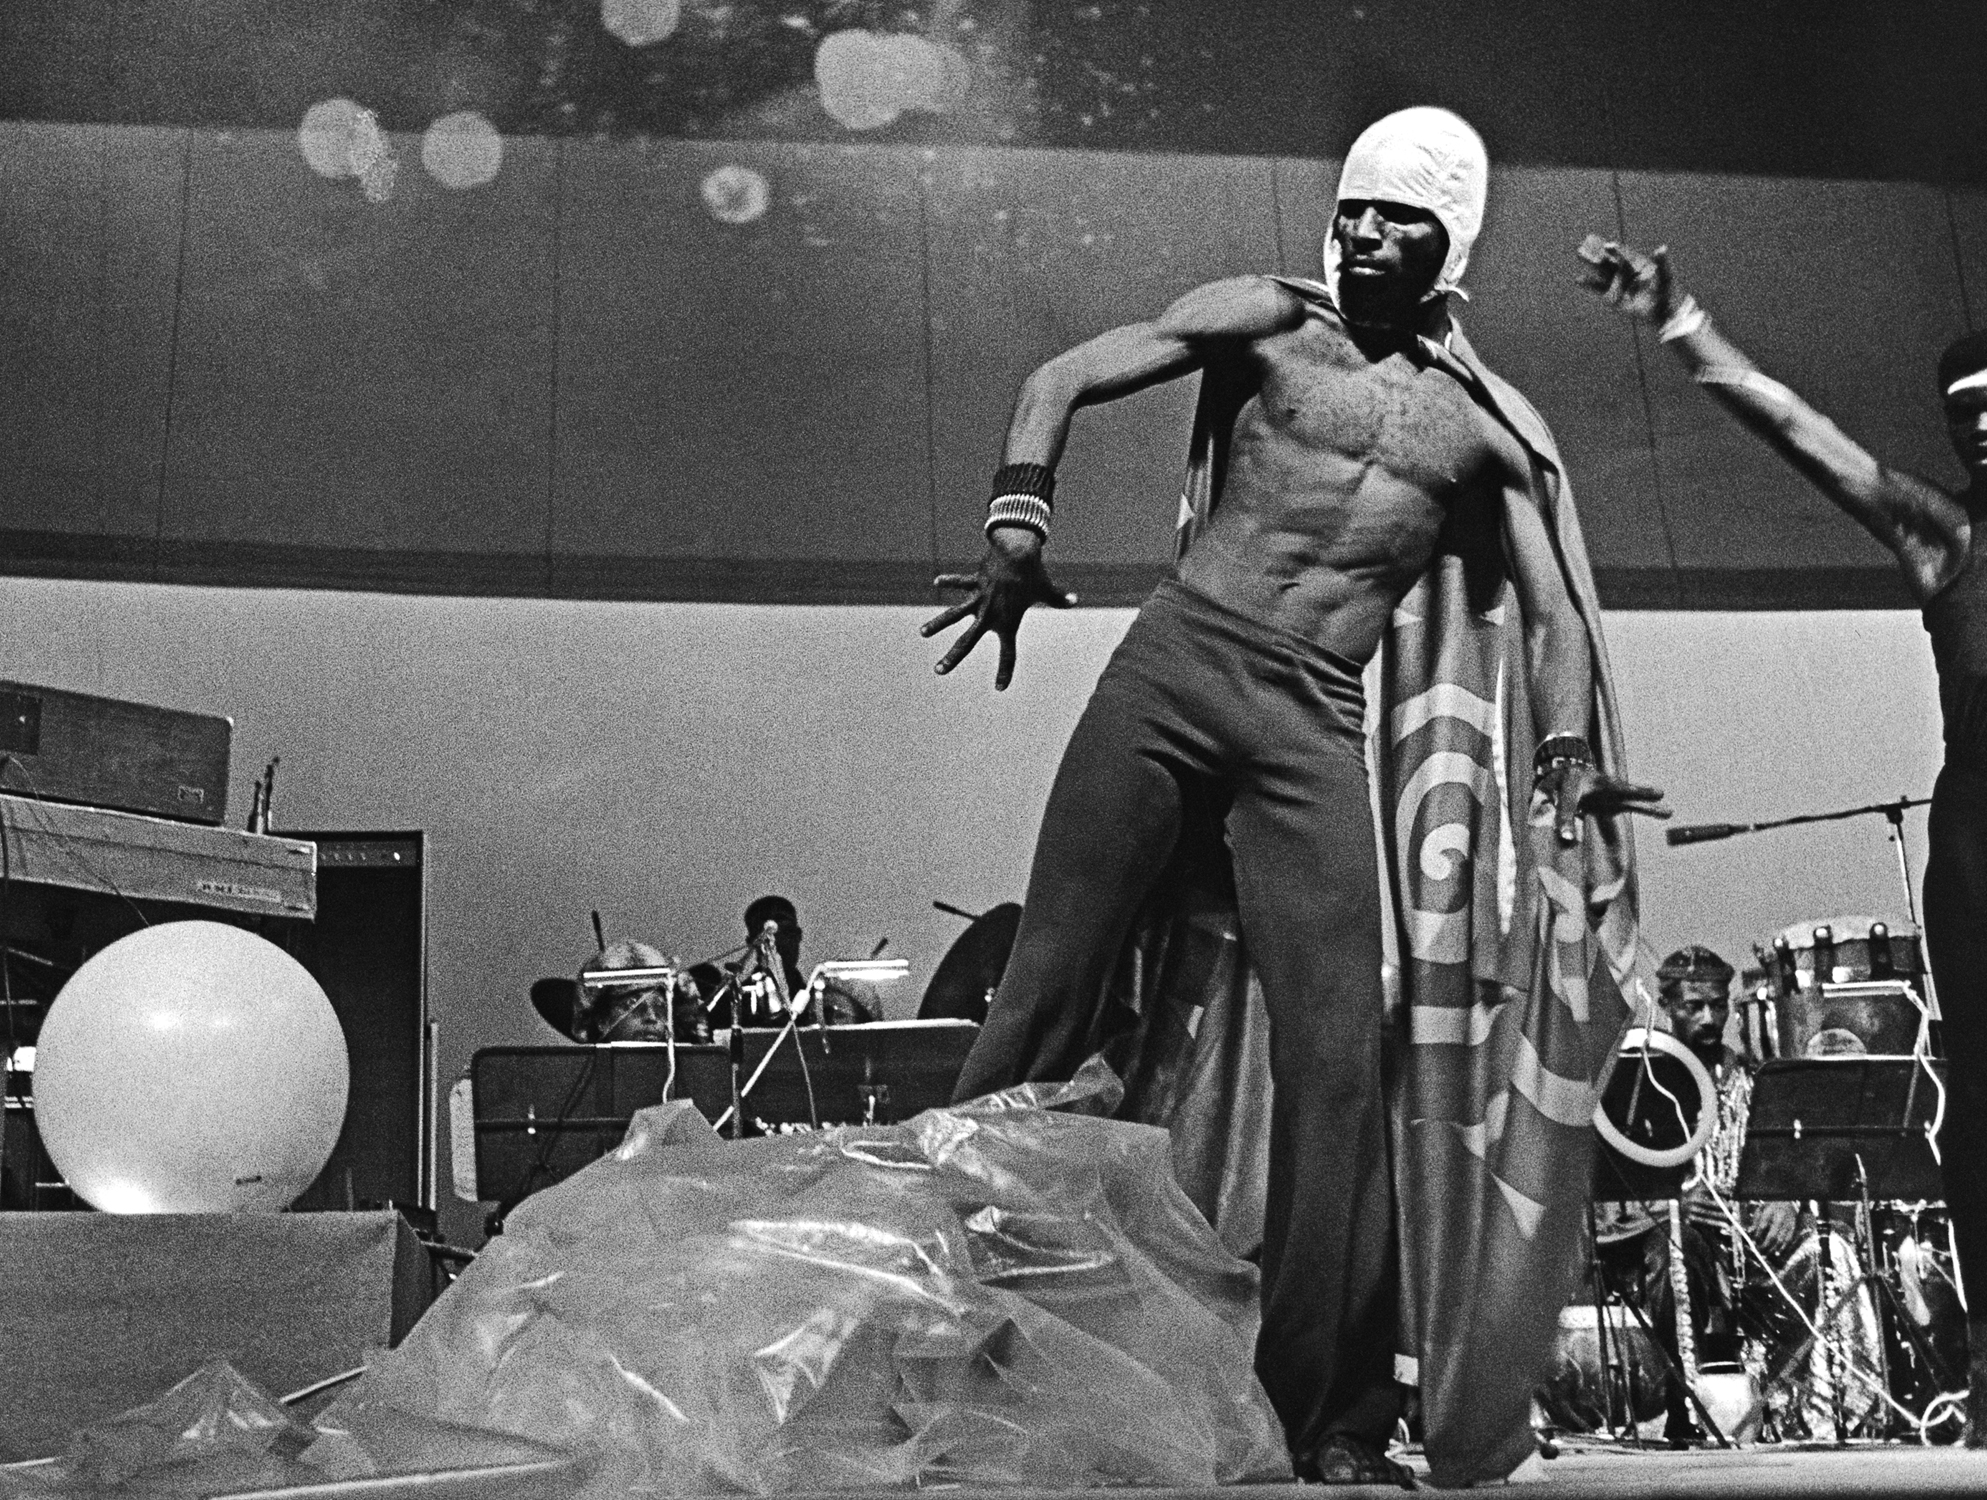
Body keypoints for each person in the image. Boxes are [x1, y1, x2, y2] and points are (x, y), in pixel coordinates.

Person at [924, 107, 1664, 1486]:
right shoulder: (1265, 322)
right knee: (1042, 996)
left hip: (1309, 721)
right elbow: (1059, 376)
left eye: (1399, 221)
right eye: (1354, 212)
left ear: (1448, 245)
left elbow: (1553, 609)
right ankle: (926, 1329)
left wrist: (1562, 750)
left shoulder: (1480, 426)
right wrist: (1016, 519)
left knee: (1336, 1071)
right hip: (1174, 669)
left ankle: (1324, 1416)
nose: (1364, 235)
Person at [1579, 236, 1987, 1441]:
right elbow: (1806, 436)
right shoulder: (1945, 539)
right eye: (1960, 410)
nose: (1978, 425)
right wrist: (1680, 323)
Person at [732, 894, 883, 1027]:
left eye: (787, 933)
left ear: (798, 936)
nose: (778, 942)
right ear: (751, 943)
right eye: (766, 937)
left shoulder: (827, 1005)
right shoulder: (733, 1005)